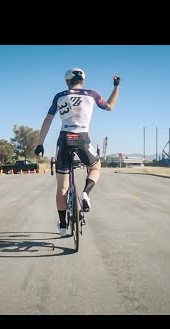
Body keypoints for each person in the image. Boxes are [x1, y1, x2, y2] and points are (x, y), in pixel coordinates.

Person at [34, 68, 120, 236]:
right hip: (82, 139)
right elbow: (109, 107)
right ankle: (86, 193)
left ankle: (64, 225)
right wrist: (116, 86)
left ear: (67, 81)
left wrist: (40, 144)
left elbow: (48, 120)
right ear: (83, 80)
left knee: (62, 187)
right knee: (95, 168)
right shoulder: (92, 94)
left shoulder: (59, 96)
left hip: (64, 140)